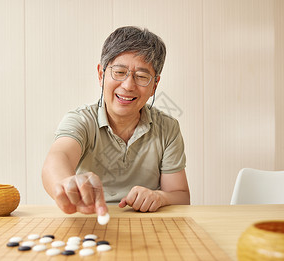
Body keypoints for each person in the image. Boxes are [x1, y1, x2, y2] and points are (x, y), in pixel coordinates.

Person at [42, 26, 190, 216]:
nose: (128, 85)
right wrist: (65, 184)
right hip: (90, 221)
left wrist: (160, 197)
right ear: (101, 75)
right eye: (119, 72)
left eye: (142, 76)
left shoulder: (167, 127)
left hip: (148, 224)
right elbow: (56, 158)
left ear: (154, 85)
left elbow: (180, 195)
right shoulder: (81, 120)